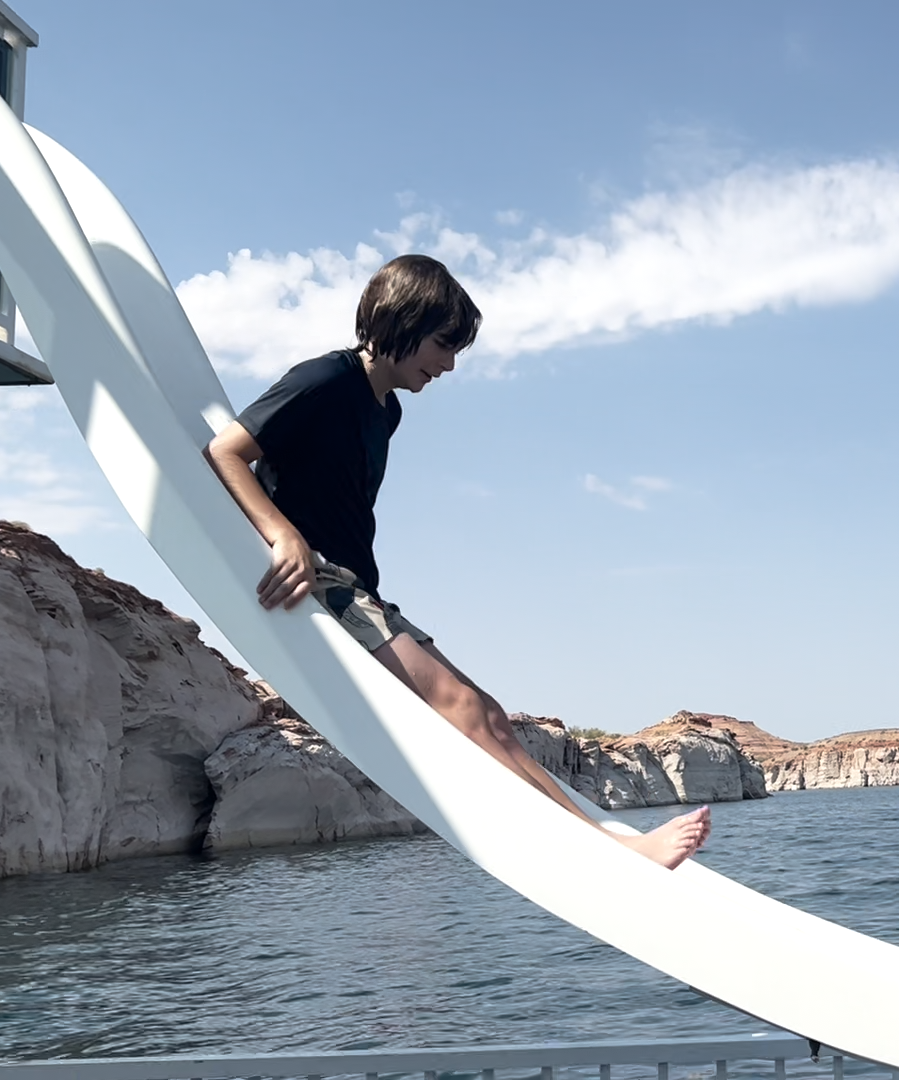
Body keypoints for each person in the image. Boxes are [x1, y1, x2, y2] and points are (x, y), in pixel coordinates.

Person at [204, 254, 710, 869]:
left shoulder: (386, 411)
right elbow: (226, 450)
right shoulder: (324, 381)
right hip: (322, 585)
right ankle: (606, 849)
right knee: (463, 709)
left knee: (488, 711)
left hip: (357, 588)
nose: (446, 365)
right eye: (443, 345)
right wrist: (283, 537)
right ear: (401, 322)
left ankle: (602, 837)